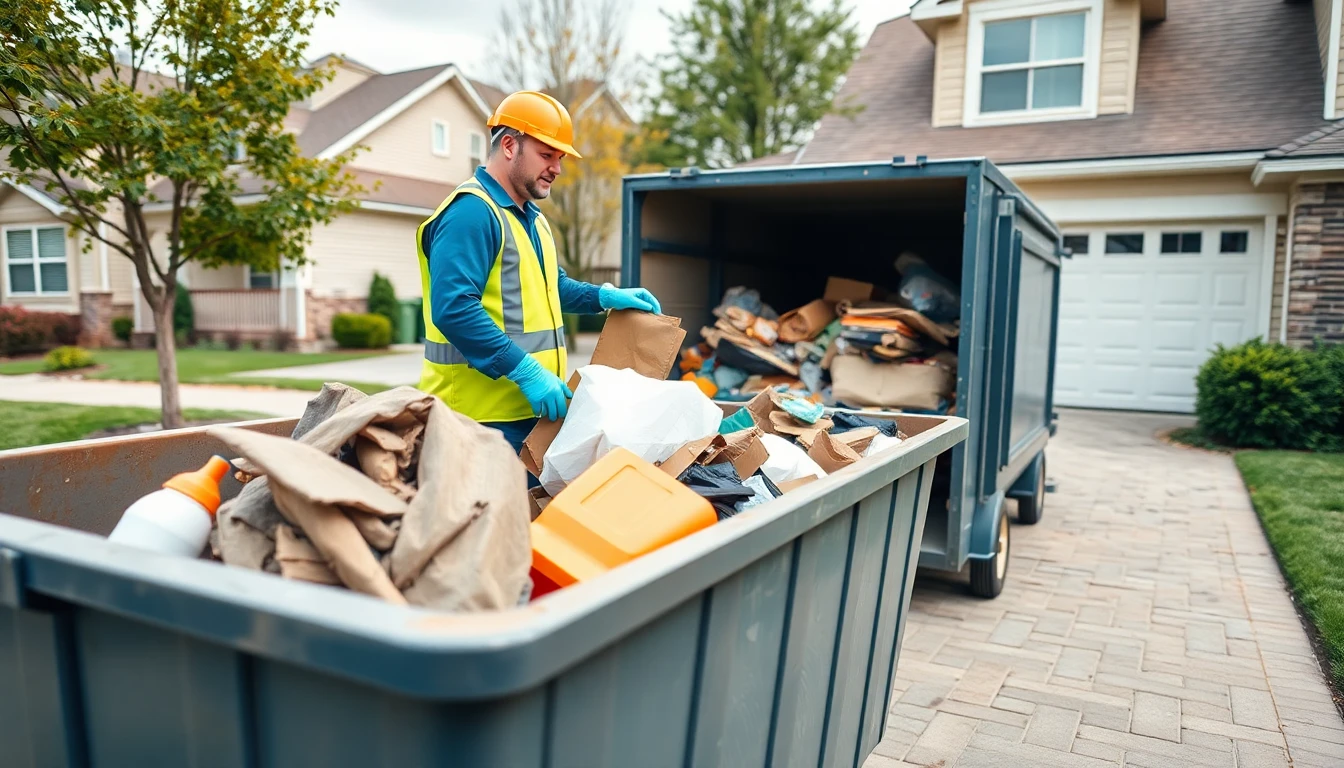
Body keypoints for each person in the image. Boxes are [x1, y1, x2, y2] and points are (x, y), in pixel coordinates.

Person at [415, 89, 661, 454]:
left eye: (560, 157)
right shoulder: (472, 213)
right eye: (547, 155)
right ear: (510, 146)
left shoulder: (533, 219)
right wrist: (525, 371)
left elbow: (551, 287)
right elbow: (454, 308)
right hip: (474, 421)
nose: (557, 168)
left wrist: (603, 297)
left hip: (526, 415)